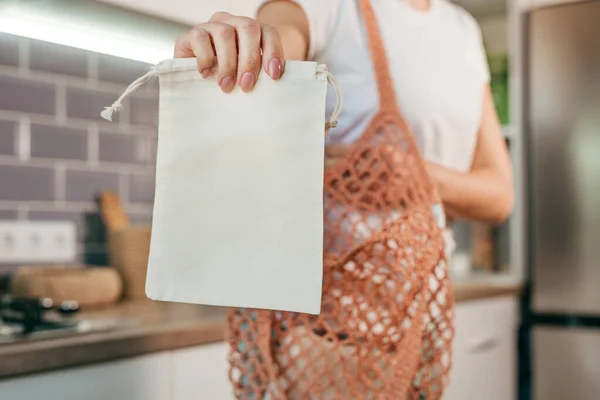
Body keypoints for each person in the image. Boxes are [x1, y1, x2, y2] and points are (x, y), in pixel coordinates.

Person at [175, 0, 513, 398]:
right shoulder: (331, 7)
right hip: (325, 335)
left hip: (424, 319)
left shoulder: (463, 29)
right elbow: (277, 44)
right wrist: (239, 44)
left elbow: (499, 196)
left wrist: (415, 173)